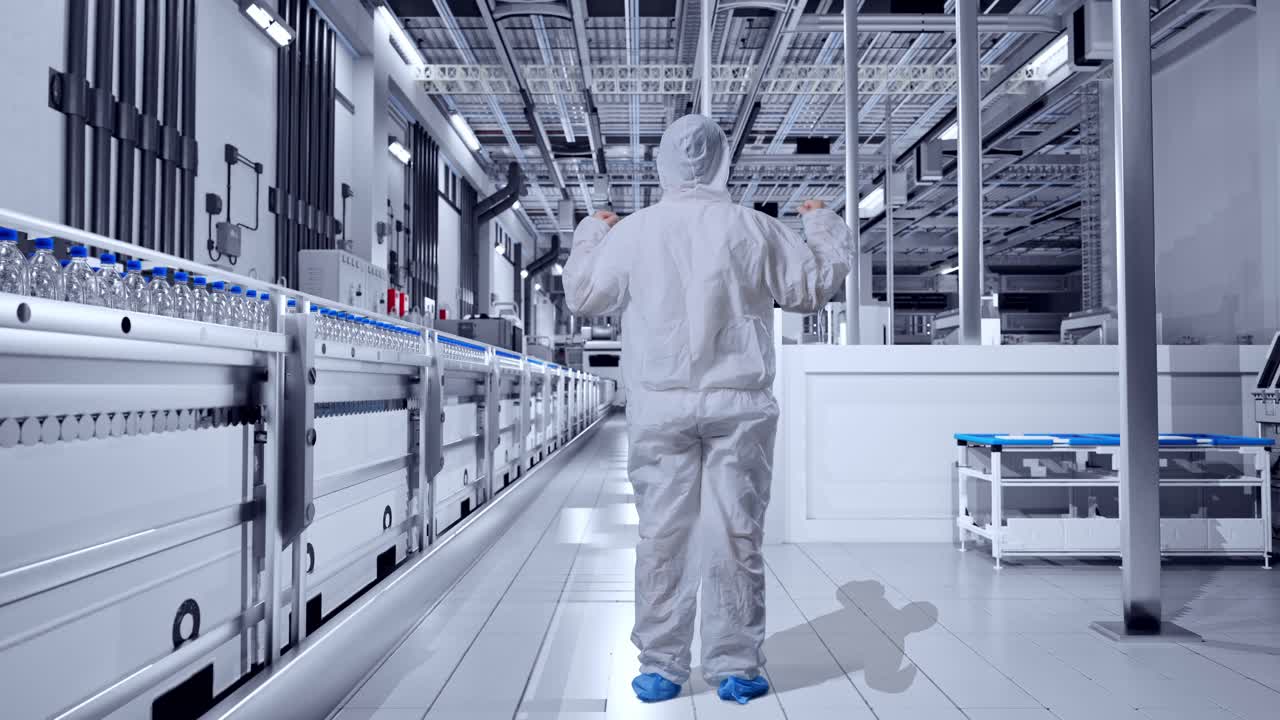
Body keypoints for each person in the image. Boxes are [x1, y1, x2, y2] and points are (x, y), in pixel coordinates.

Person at [562, 113, 854, 705]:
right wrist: (821, 222)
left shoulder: (635, 232)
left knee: (663, 535)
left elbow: (584, 296)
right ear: (724, 161)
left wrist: (593, 232)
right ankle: (735, 664)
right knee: (735, 533)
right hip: (739, 406)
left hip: (659, 406)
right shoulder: (753, 228)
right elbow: (811, 288)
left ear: (663, 165)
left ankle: (662, 666)